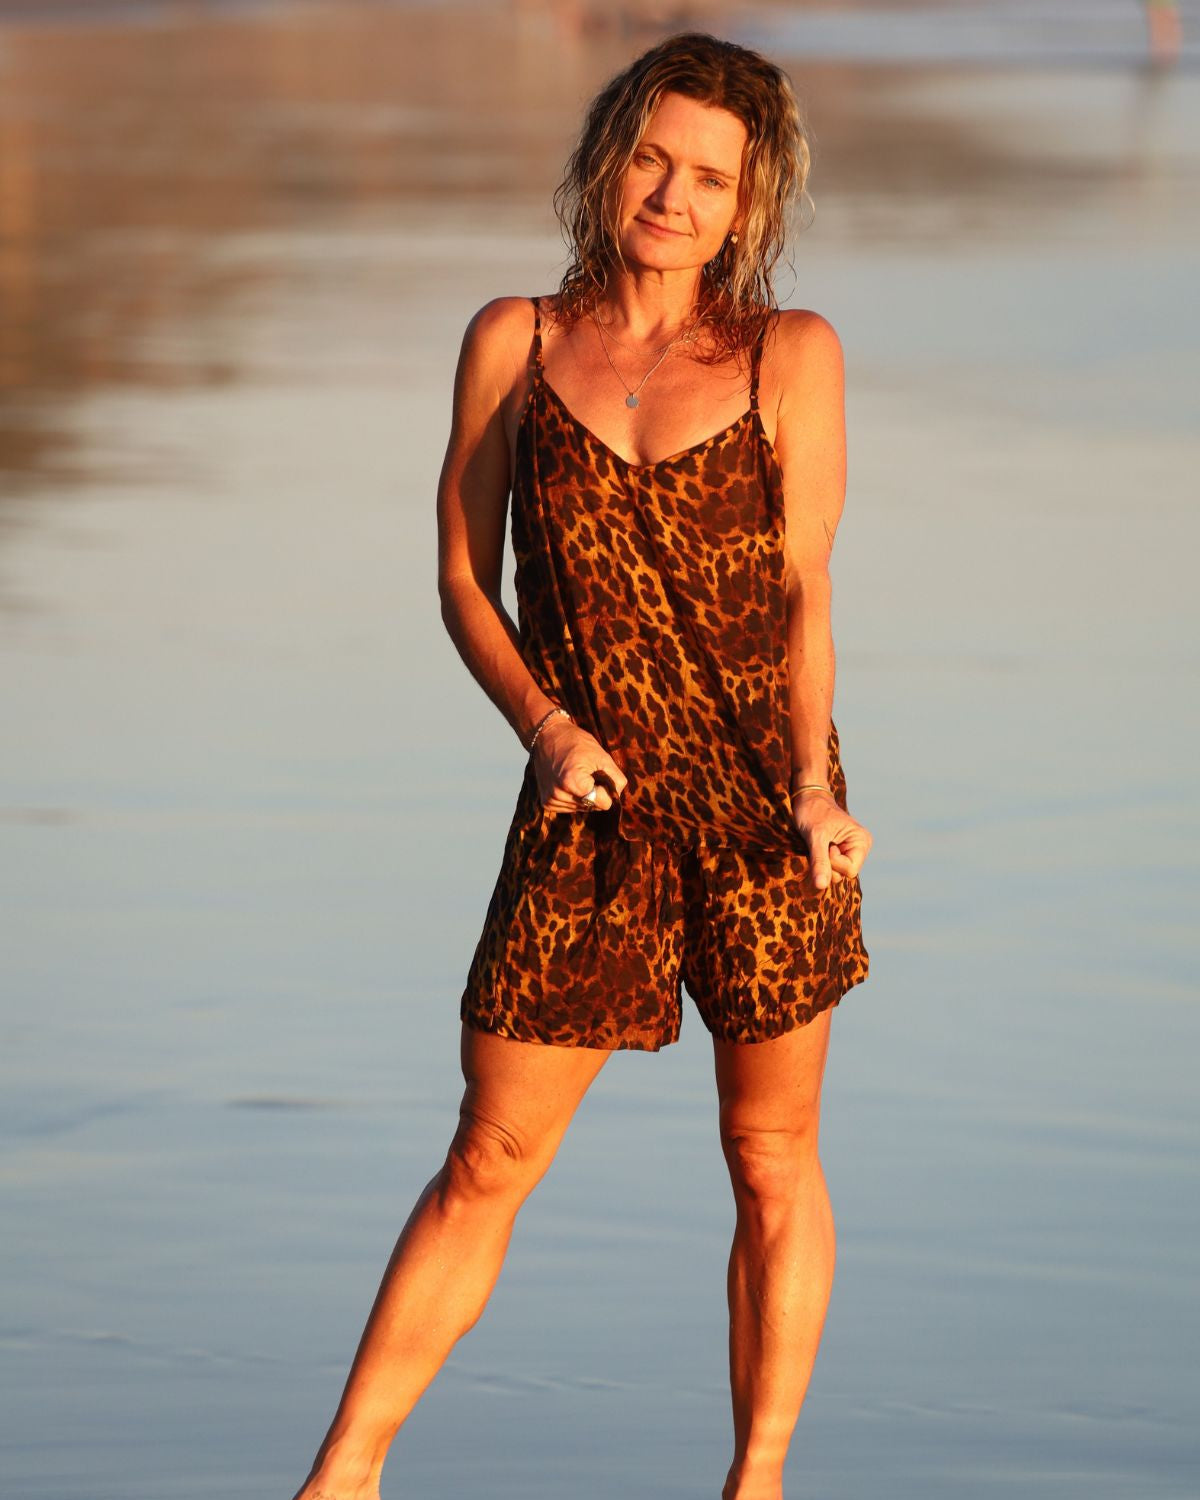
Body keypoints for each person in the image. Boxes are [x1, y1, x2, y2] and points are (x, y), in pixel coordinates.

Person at [291, 31, 872, 1500]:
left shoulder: (789, 356)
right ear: (611, 156)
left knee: (767, 1156)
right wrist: (544, 730)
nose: (673, 195)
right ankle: (341, 1478)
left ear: (750, 204)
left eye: (711, 178)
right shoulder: (514, 341)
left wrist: (815, 787)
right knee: (488, 1153)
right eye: (654, 159)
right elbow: (459, 581)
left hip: (760, 812)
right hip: (586, 803)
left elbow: (805, 593)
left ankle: (758, 1481)